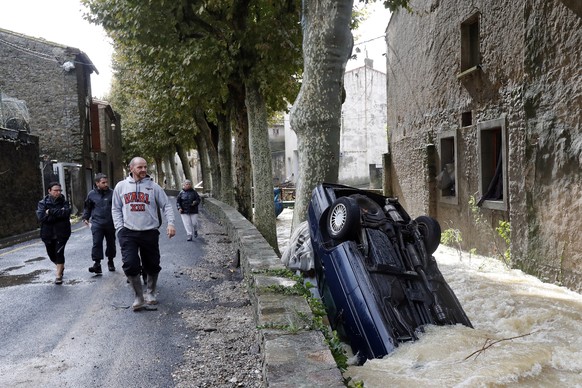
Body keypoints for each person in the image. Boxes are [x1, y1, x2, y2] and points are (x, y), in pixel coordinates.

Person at [112, 157, 176, 311]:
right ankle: (138, 296)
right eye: (140, 167)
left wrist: (171, 223)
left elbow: (166, 205)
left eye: (145, 167)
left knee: (152, 264)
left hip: (149, 232)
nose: (143, 170)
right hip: (128, 232)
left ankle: (151, 292)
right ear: (131, 168)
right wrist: (119, 228)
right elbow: (115, 208)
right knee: (130, 264)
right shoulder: (121, 186)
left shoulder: (154, 187)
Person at [36, 182, 71, 285]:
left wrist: (50, 211)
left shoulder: (64, 202)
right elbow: (41, 217)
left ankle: (58, 275)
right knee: (52, 255)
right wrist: (58, 214)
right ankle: (60, 266)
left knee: (59, 253)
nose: (58, 192)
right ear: (49, 191)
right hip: (48, 233)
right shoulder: (42, 203)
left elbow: (66, 213)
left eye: (60, 190)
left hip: (62, 232)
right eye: (55, 190)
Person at [82, 173, 117, 275]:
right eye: (103, 182)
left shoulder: (112, 193)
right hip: (97, 223)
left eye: (106, 182)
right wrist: (85, 217)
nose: (106, 184)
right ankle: (97, 264)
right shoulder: (91, 194)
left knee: (111, 243)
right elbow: (87, 207)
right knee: (97, 243)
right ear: (97, 183)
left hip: (110, 223)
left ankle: (110, 261)